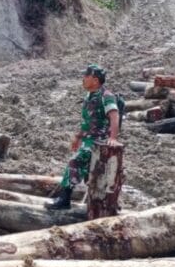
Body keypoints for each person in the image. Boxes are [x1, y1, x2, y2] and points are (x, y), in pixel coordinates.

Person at [46, 64, 120, 210]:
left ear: (95, 80)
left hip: (98, 141)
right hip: (88, 139)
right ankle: (92, 203)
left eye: (86, 76)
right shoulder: (89, 96)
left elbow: (114, 116)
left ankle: (65, 199)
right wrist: (78, 137)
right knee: (88, 172)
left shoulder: (106, 96)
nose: (83, 79)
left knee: (75, 162)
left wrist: (113, 137)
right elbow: (88, 122)